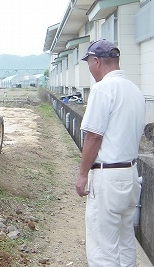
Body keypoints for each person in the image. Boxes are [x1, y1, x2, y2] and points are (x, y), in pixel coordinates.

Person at [75, 39, 145, 266]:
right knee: (125, 241)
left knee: (103, 248)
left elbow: (94, 136)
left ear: (96, 61)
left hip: (108, 177)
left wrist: (83, 174)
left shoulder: (103, 89)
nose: (90, 71)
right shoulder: (135, 90)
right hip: (131, 174)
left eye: (89, 65)